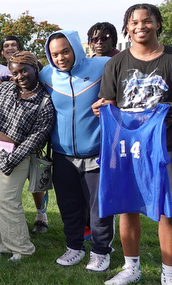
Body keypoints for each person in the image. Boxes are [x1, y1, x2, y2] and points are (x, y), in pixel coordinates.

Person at [94, 3, 172, 285]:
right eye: (133, 22)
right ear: (126, 28)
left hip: (165, 145)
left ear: (158, 24)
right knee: (127, 207)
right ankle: (131, 268)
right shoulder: (115, 64)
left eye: (146, 21)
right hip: (126, 146)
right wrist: (100, 108)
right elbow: (109, 104)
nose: (140, 26)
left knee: (166, 210)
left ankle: (170, 275)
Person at [39, 31, 115, 271]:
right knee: (69, 205)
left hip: (97, 152)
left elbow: (138, 60)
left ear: (76, 49)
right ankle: (74, 247)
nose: (60, 58)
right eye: (54, 54)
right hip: (63, 154)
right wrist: (1, 81)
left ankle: (101, 251)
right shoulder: (46, 74)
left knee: (99, 207)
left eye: (65, 51)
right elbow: (23, 77)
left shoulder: (103, 65)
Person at [0, 51, 55, 260]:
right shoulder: (5, 88)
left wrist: (11, 159)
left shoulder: (44, 101)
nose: (19, 76)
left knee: (7, 200)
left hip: (15, 156)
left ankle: (21, 248)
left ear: (34, 69)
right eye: (15, 72)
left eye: (23, 71)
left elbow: (37, 137)